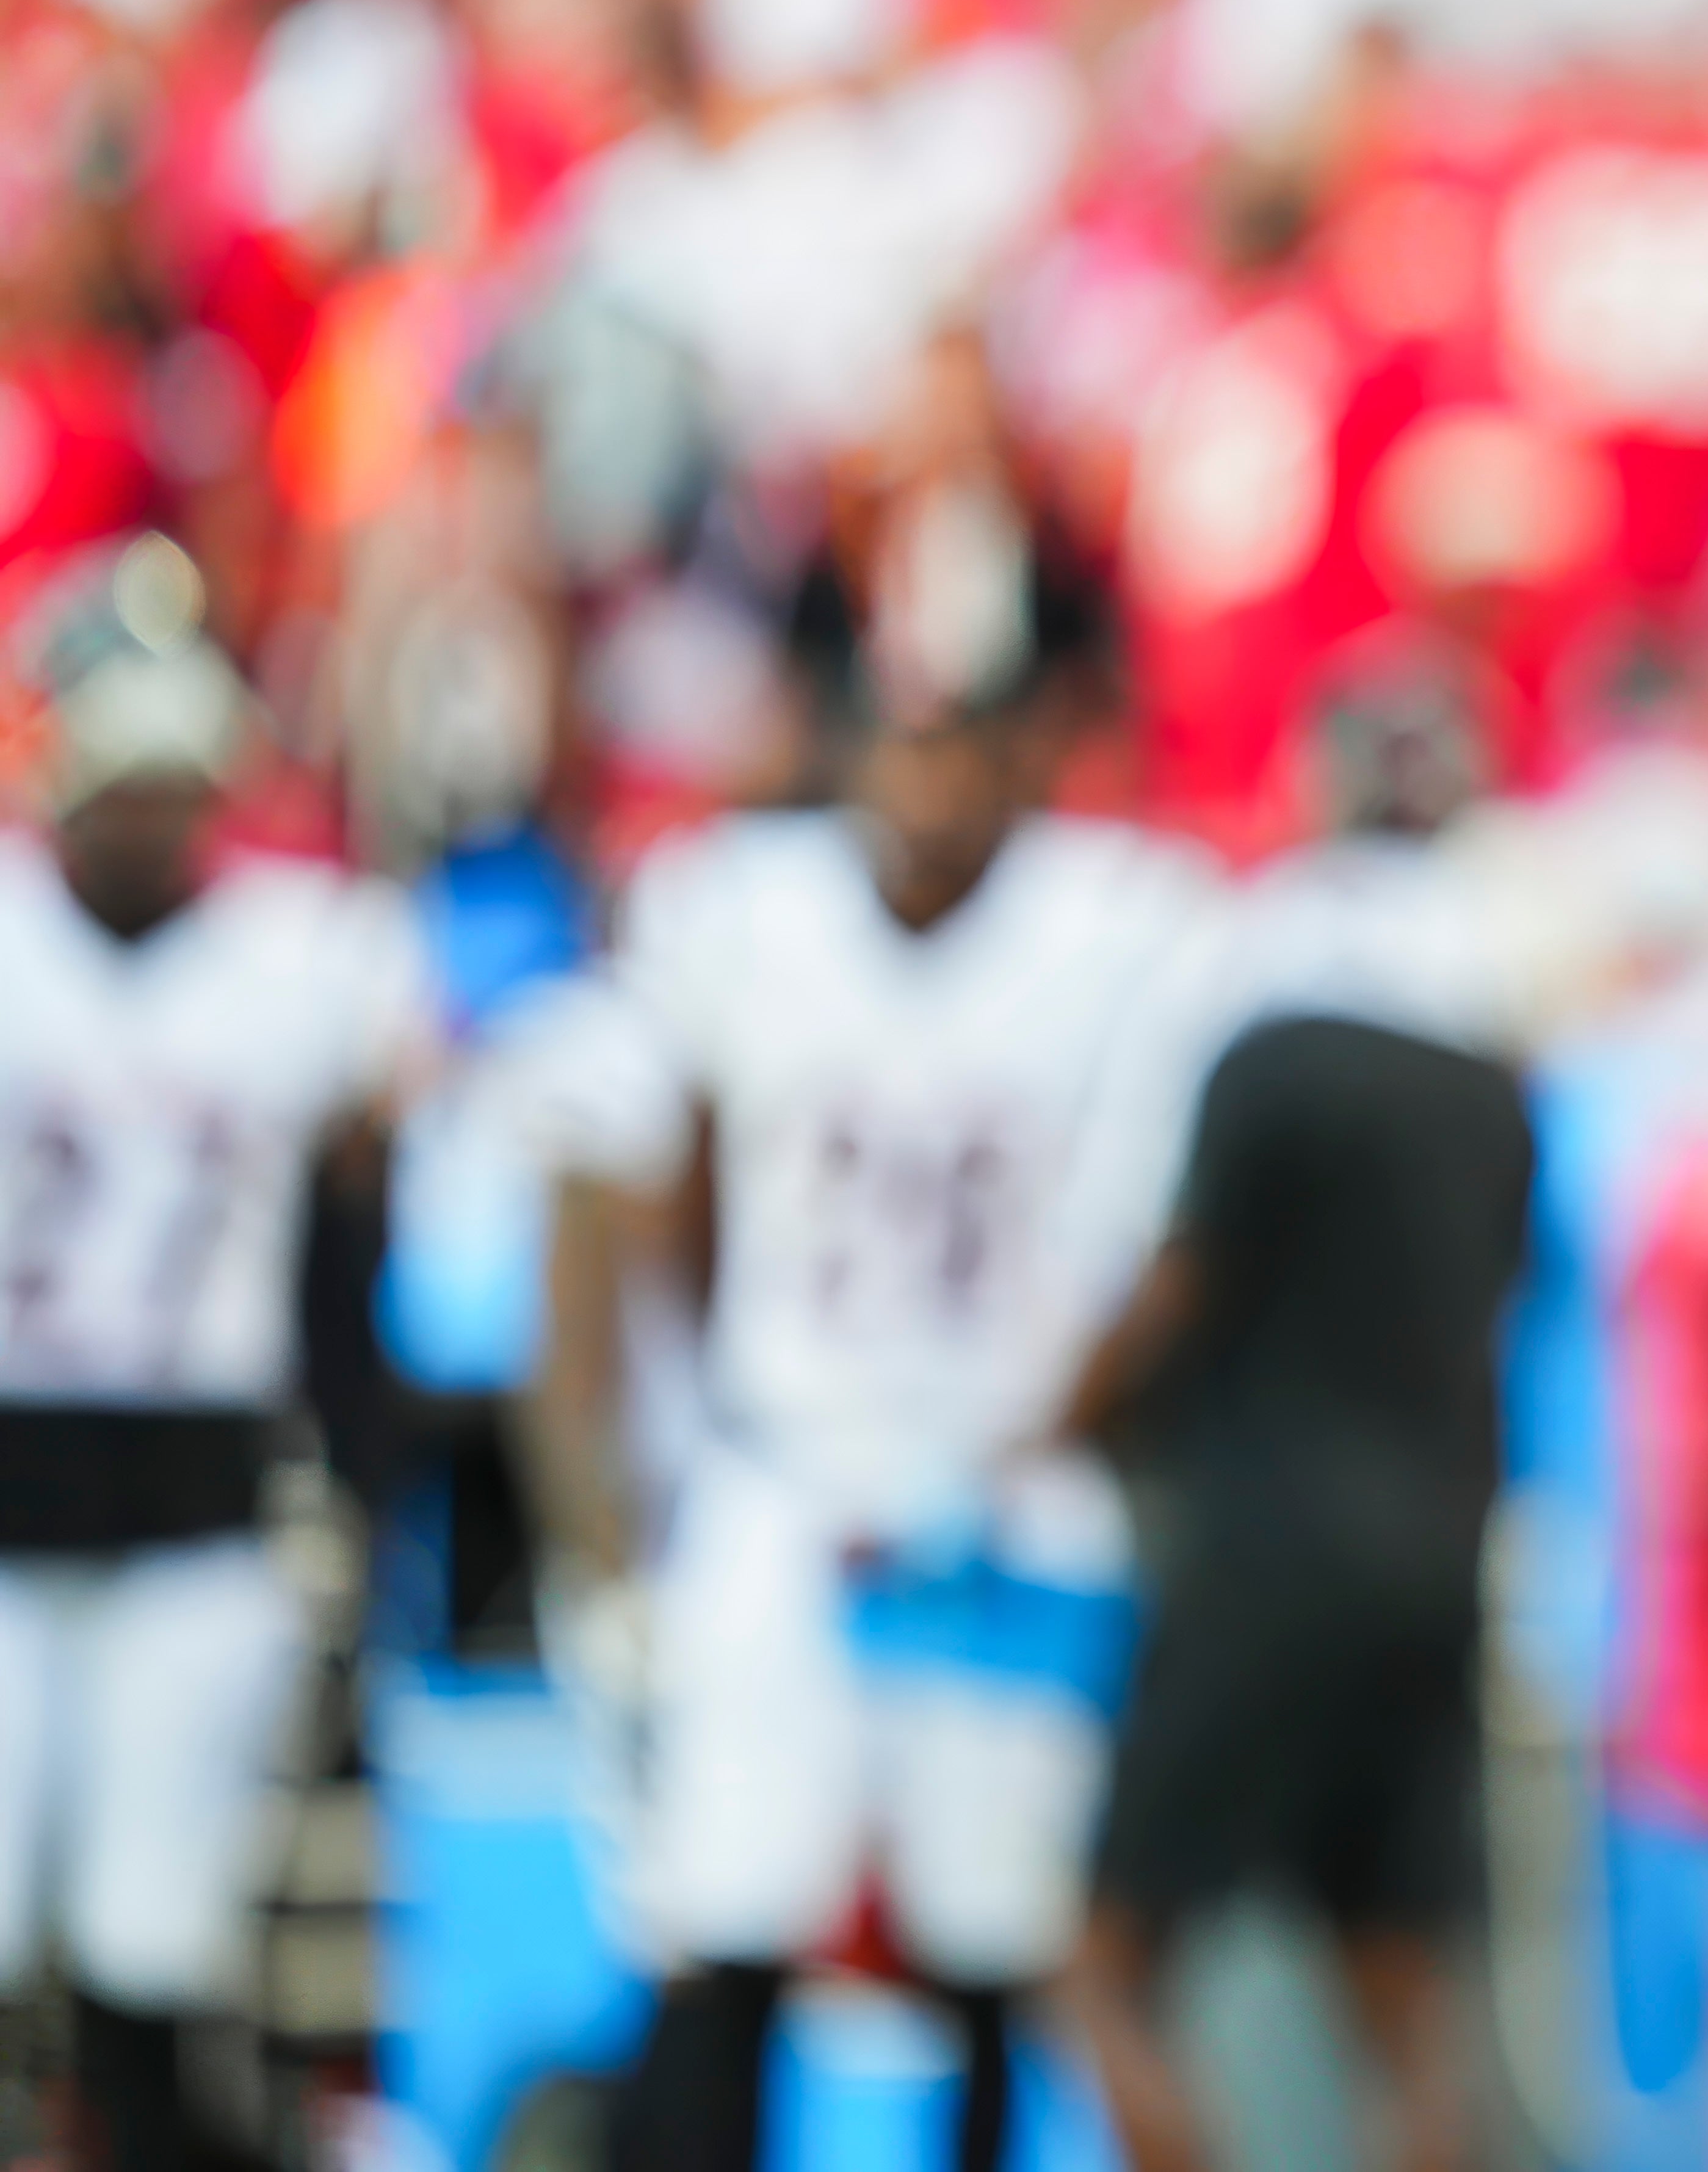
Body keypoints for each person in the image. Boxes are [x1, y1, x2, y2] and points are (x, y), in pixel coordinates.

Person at [530, 580, 1224, 2172]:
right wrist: (652, 1469)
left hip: (1006, 1479)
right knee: (724, 1911)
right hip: (790, 1464)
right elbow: (648, 1176)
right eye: (897, 743)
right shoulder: (736, 903)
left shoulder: (1122, 922)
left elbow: (1171, 1233)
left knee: (999, 1932)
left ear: (1025, 753)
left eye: (956, 746)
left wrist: (1053, 1419)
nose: (922, 786)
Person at [1050, 659, 1541, 2172]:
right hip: (1432, 1552)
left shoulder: (1254, 1016)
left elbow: (1177, 1282)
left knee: (1107, 1966)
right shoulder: (1491, 1071)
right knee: (1397, 2003)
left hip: (1263, 1545)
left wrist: (1054, 1416)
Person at [0, 542, 429, 2172]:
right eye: (128, 781)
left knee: (147, 1948)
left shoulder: (303, 961)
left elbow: (349, 1256)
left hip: (196, 1503)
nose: (154, 819)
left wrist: (360, 1482)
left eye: (179, 785)